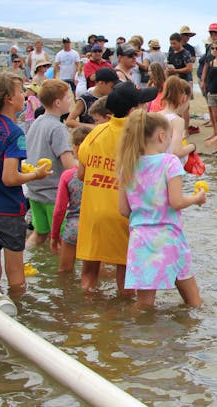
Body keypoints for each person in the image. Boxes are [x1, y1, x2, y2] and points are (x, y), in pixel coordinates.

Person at [117, 110, 206, 308]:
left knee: (144, 305)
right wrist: (196, 198)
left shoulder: (128, 165)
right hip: (169, 237)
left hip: (140, 239)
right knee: (193, 302)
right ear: (161, 135)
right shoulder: (169, 162)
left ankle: (133, 329)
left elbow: (123, 209)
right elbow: (176, 201)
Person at [76, 81, 158, 293]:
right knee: (126, 276)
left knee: (89, 274)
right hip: (125, 214)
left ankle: (85, 308)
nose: (146, 108)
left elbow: (81, 173)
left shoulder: (96, 132)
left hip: (93, 214)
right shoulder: (141, 137)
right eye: (142, 105)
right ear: (133, 111)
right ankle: (123, 311)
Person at [0, 73, 51, 293]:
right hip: (8, 209)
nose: (25, 96)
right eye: (21, 92)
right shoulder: (14, 132)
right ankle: (19, 307)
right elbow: (9, 178)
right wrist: (35, 175)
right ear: (9, 98)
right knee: (16, 271)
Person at [24, 80, 76, 247]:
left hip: (34, 189)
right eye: (68, 98)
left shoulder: (37, 122)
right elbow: (69, 165)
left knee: (39, 233)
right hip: (54, 194)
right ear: (58, 103)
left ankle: (24, 257)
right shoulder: (58, 128)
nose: (70, 101)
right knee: (61, 239)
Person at [50, 126, 92, 273]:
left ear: (75, 148)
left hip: (74, 227)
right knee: (94, 275)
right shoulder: (99, 175)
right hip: (94, 227)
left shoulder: (68, 176)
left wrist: (54, 235)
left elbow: (59, 210)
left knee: (64, 272)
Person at [158, 76, 196, 161]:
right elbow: (177, 152)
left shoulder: (157, 115)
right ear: (184, 98)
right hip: (169, 165)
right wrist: (192, 146)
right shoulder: (177, 120)